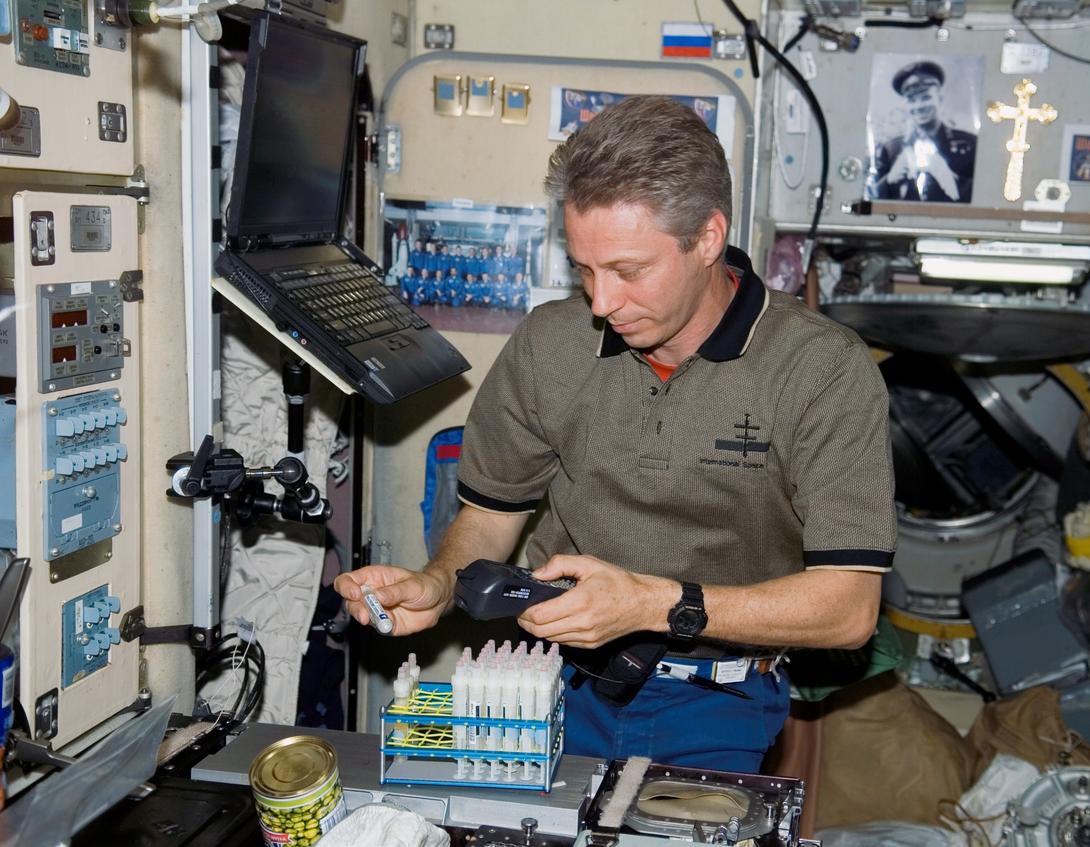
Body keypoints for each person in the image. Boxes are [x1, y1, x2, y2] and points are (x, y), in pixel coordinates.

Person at [336, 96, 895, 772]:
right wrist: (438, 584)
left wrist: (653, 605)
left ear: (708, 239)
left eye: (628, 272)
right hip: (542, 680)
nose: (601, 303)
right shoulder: (550, 344)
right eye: (584, 270)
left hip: (714, 700)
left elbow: (848, 609)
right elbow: (488, 517)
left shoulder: (822, 369)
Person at [867, 61, 975, 203]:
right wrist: (888, 180)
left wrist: (953, 180)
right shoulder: (891, 148)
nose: (919, 106)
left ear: (939, 99)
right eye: (911, 100)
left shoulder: (971, 143)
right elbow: (869, 199)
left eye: (926, 98)